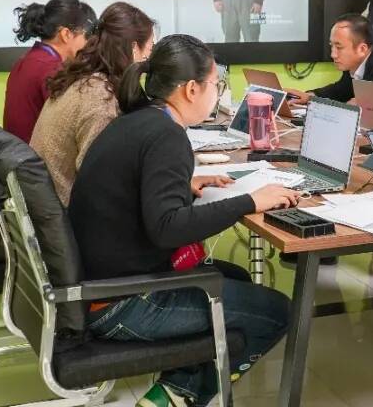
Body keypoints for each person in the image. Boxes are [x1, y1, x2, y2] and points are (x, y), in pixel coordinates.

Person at [69, 34, 299, 407]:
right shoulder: (167, 136)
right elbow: (168, 228)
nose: (217, 95)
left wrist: (184, 186)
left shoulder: (139, 121)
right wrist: (249, 201)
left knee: (236, 278)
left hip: (98, 286)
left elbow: (135, 194)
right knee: (278, 312)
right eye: (215, 86)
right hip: (121, 302)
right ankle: (179, 394)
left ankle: (179, 385)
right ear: (191, 89)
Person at [30, 1, 155, 205]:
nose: (148, 58)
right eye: (149, 49)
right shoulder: (100, 99)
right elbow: (100, 180)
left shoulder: (84, 80)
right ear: (134, 49)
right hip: (68, 214)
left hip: (50, 205)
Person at [2, 0, 97, 142]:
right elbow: (68, 124)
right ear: (66, 34)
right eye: (86, 36)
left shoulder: (29, 59)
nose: (89, 44)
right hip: (34, 153)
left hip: (18, 150)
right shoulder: (52, 69)